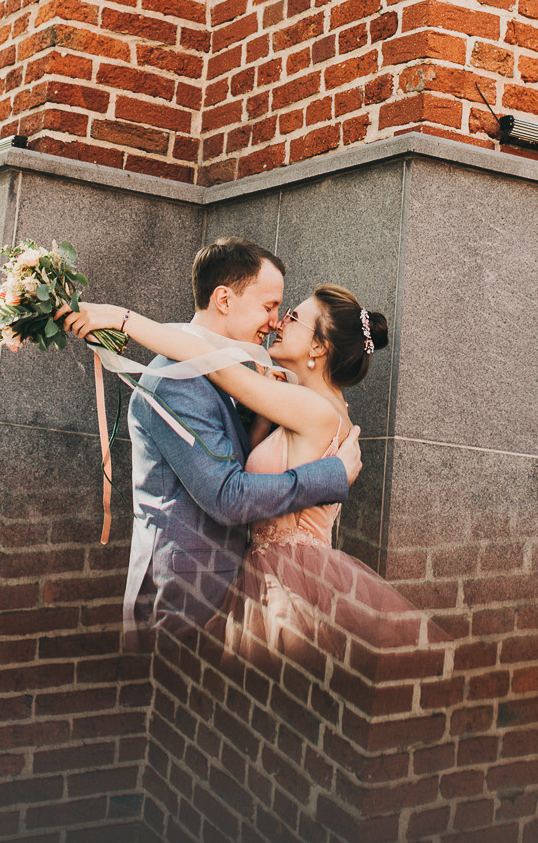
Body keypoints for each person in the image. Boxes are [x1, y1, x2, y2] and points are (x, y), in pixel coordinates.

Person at [67, 273, 401, 643]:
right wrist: (262, 419)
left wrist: (121, 319)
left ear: (319, 348)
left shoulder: (315, 409)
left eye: (292, 317)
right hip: (261, 573)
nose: (279, 322)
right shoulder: (306, 405)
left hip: (287, 583)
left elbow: (211, 362)